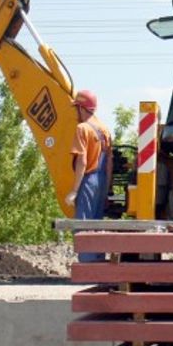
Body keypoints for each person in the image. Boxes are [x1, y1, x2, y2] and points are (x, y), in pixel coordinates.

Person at [65, 89, 113, 262]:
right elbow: (109, 163)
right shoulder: (105, 130)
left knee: (83, 226)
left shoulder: (82, 129)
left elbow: (82, 162)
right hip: (101, 180)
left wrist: (74, 191)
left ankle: (87, 265)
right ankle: (98, 262)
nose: (75, 113)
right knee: (96, 224)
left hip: (88, 181)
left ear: (81, 108)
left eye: (76, 108)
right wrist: (106, 189)